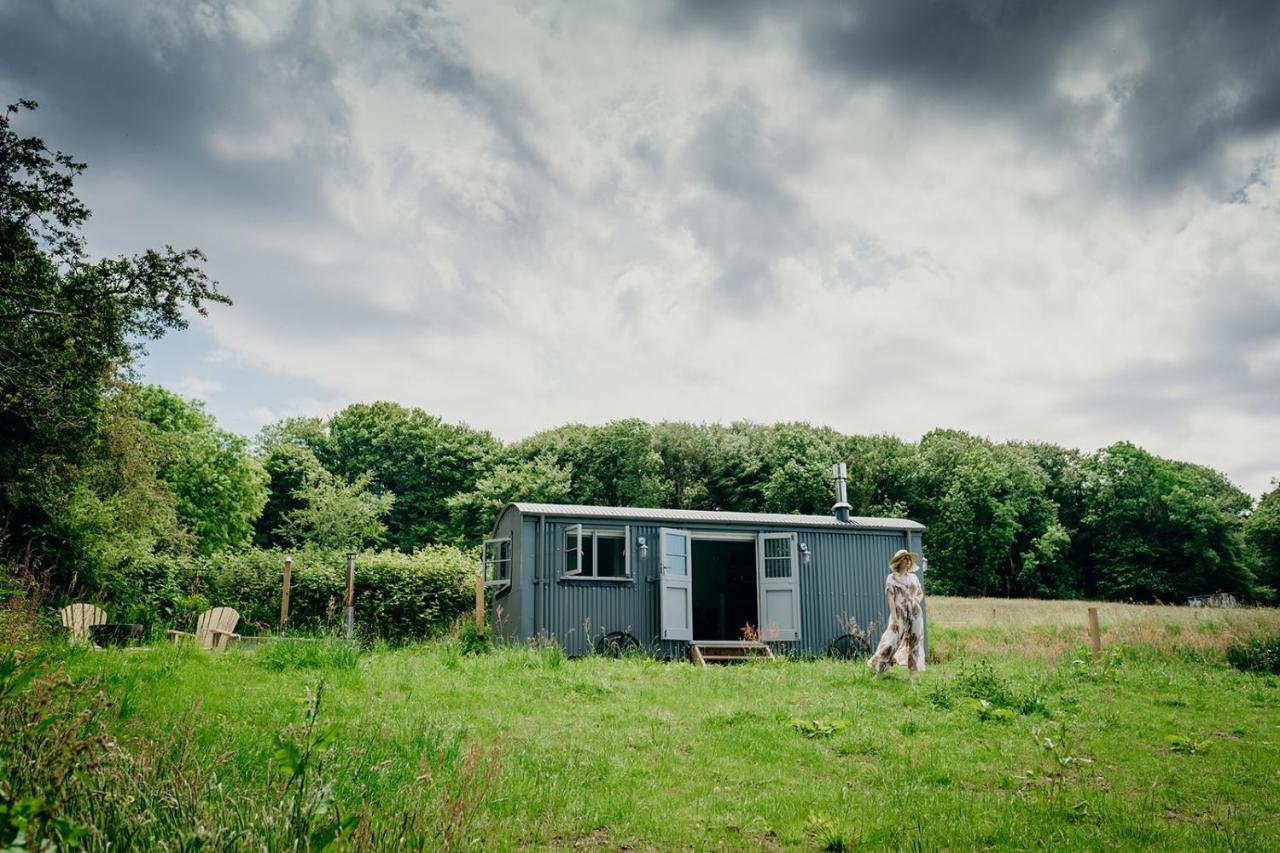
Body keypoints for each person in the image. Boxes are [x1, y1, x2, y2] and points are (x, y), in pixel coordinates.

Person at [868, 549, 925, 675]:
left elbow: (920, 594)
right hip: (898, 614)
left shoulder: (914, 578)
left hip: (915, 614)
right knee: (890, 642)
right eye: (905, 558)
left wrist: (915, 602)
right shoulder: (891, 578)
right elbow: (890, 599)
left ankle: (912, 676)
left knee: (915, 642)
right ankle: (878, 669)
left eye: (909, 559)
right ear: (899, 561)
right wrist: (894, 619)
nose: (908, 561)